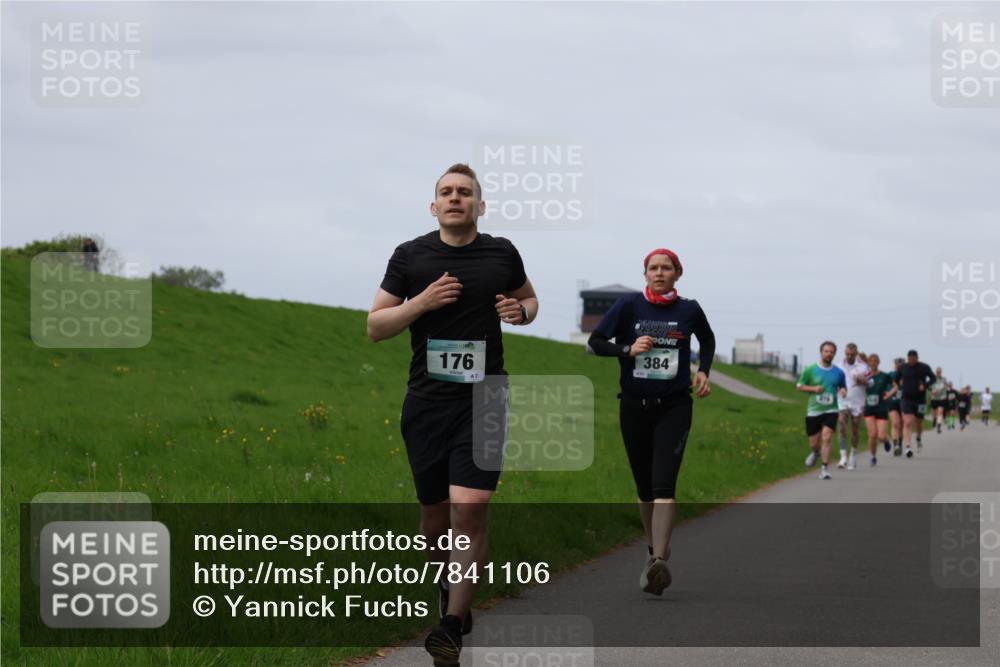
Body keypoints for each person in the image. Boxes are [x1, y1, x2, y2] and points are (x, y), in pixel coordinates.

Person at [367, 163, 538, 667]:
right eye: (446, 192)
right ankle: (453, 596)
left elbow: (529, 300)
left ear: (480, 206)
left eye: (465, 192)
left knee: (471, 505)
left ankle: (450, 626)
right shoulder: (410, 256)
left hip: (484, 399)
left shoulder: (502, 252)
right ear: (434, 205)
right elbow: (376, 326)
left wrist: (520, 313)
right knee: (436, 516)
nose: (455, 197)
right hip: (427, 403)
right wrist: (421, 302)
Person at [587, 248, 714, 595]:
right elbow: (595, 343)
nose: (659, 273)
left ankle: (659, 561)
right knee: (644, 489)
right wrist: (626, 350)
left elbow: (708, 338)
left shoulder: (689, 309)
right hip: (633, 406)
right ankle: (652, 549)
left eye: (666, 268)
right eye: (653, 268)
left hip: (674, 407)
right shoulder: (628, 306)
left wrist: (703, 371)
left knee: (663, 487)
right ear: (645, 274)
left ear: (677, 273)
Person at [797, 341, 848, 480]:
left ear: (834, 354)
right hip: (814, 411)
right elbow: (799, 386)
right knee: (814, 443)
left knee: (827, 436)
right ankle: (815, 452)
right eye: (826, 351)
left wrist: (843, 391)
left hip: (831, 410)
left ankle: (824, 468)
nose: (829, 354)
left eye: (831, 352)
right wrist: (814, 389)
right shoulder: (811, 369)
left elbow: (843, 386)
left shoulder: (839, 372)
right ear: (821, 352)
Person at [894, 350, 935, 457]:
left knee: (919, 423)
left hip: (920, 400)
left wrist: (925, 385)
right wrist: (901, 386)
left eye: (913, 359)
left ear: (917, 358)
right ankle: (907, 447)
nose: (911, 361)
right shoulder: (903, 367)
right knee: (907, 422)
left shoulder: (924, 367)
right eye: (910, 359)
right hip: (906, 398)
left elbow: (933, 378)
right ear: (907, 359)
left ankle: (918, 437)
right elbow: (896, 379)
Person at [836, 343, 870, 470]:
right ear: (845, 353)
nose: (849, 356)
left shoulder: (863, 367)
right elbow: (834, 381)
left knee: (855, 430)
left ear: (856, 354)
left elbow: (871, 382)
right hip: (843, 401)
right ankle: (843, 456)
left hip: (857, 402)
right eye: (847, 354)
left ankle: (853, 455)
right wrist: (838, 388)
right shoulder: (838, 366)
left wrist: (862, 380)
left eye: (852, 354)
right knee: (842, 426)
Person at [862, 354, 894, 466]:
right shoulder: (865, 376)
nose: (873, 363)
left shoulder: (884, 376)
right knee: (872, 434)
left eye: (875, 361)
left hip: (881, 408)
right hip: (869, 408)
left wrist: (889, 394)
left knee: (881, 436)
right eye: (871, 361)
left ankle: (886, 440)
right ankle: (873, 456)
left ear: (878, 362)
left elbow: (895, 386)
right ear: (868, 363)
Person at [887, 358, 904, 455]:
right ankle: (896, 445)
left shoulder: (906, 375)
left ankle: (900, 443)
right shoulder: (890, 375)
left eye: (901, 364)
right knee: (895, 423)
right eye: (897, 364)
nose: (899, 365)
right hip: (892, 401)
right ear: (894, 364)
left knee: (901, 424)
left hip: (903, 402)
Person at [929, 367, 949, 434]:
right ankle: (934, 419)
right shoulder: (932, 379)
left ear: (941, 372)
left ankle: (938, 427)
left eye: (939, 372)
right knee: (934, 413)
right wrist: (932, 390)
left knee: (940, 412)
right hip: (934, 398)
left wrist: (946, 387)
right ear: (936, 372)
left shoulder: (944, 379)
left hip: (942, 398)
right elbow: (929, 387)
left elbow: (946, 386)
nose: (938, 373)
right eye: (937, 372)